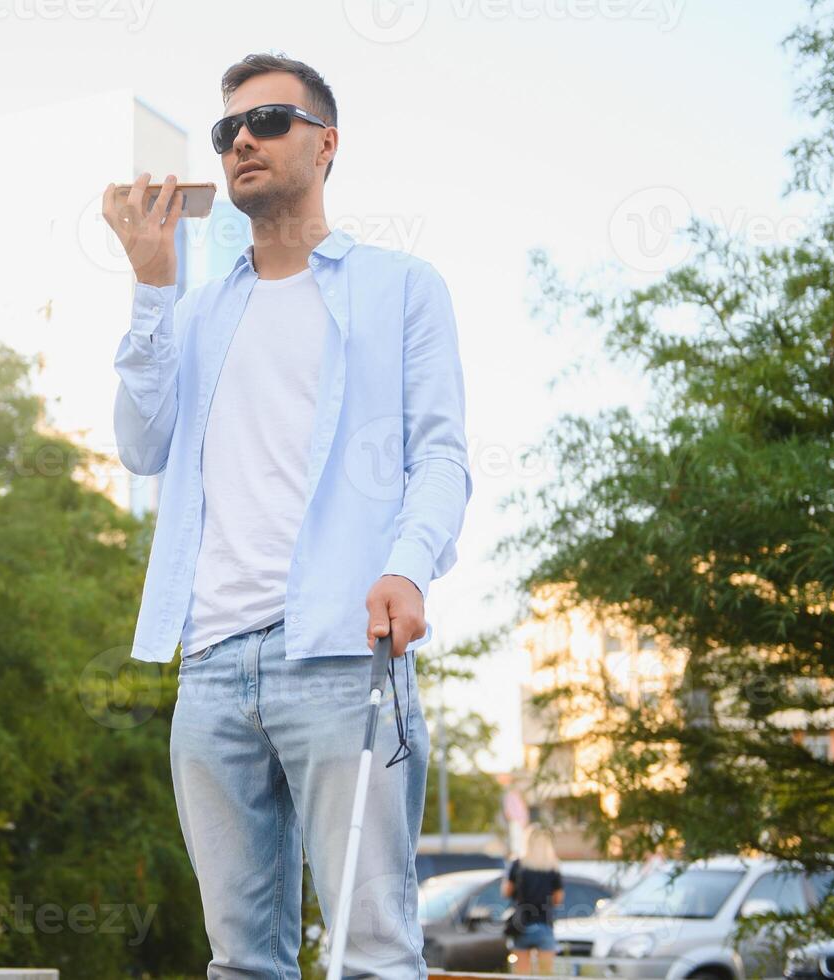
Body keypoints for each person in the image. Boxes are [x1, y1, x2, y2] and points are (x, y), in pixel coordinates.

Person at [102, 52, 472, 978]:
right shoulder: (193, 313)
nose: (241, 143)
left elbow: (440, 457)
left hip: (342, 656)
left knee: (375, 949)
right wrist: (151, 287)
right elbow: (141, 448)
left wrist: (408, 567)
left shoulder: (400, 287)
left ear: (327, 142)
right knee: (239, 959)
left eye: (267, 121)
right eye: (228, 130)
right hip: (213, 668)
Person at [502, 826, 565, 975]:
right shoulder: (553, 867)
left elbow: (506, 892)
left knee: (521, 973)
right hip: (544, 923)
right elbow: (558, 899)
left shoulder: (518, 864)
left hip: (521, 924)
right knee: (546, 973)